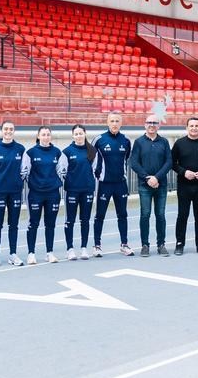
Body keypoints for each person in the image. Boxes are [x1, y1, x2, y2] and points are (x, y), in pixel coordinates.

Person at [128, 116, 172, 257]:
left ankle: (161, 244)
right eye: (149, 122)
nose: (152, 125)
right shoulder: (139, 142)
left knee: (160, 215)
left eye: (154, 122)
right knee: (145, 215)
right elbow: (134, 162)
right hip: (144, 185)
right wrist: (147, 177)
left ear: (158, 125)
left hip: (161, 185)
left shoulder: (164, 142)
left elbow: (169, 162)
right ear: (145, 125)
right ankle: (145, 245)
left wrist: (156, 177)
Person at [93, 111, 134, 257]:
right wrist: (97, 175)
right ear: (107, 122)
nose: (115, 124)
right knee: (100, 215)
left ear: (121, 123)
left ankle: (124, 244)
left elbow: (127, 158)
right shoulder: (99, 139)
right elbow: (91, 158)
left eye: (117, 121)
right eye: (112, 121)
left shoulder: (126, 140)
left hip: (120, 184)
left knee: (122, 214)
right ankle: (97, 245)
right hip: (104, 184)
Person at [170, 117, 198, 255]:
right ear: (186, 127)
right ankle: (179, 243)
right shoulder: (179, 143)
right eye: (191, 125)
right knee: (182, 215)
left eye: (196, 126)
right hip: (184, 186)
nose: (194, 128)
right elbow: (172, 163)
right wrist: (183, 172)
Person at [0, 120, 27, 267]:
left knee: (14, 224)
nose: (8, 131)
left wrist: (16, 182)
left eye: (11, 129)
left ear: (14, 131)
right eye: (6, 129)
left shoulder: (20, 149)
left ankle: (13, 254)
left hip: (15, 192)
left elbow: (24, 171)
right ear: (1, 131)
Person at [25, 125, 64, 264]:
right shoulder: (30, 153)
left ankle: (49, 252)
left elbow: (61, 171)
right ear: (38, 136)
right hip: (36, 194)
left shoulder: (57, 152)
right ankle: (31, 253)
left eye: (48, 134)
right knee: (33, 223)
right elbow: (25, 173)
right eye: (43, 134)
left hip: (53, 193)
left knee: (50, 224)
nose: (46, 137)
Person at [63, 124, 102, 260]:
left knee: (85, 220)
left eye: (81, 133)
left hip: (87, 190)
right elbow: (63, 171)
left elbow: (96, 169)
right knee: (70, 220)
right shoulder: (67, 151)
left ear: (85, 134)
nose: (79, 136)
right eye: (76, 134)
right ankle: (70, 249)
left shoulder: (92, 151)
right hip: (72, 190)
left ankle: (84, 248)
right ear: (73, 135)